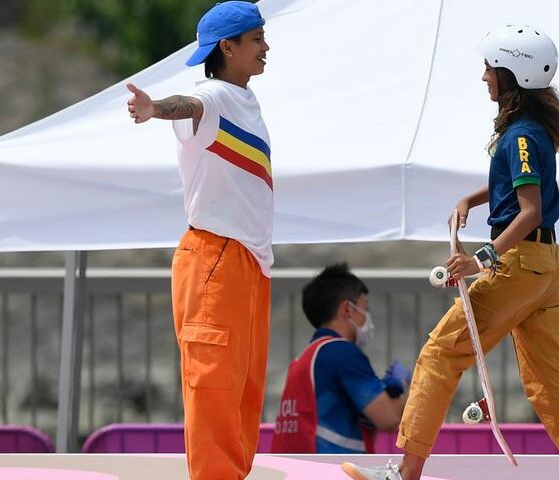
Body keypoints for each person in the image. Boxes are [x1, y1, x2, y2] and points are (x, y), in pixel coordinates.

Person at [342, 25, 559, 480]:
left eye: (489, 67)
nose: (484, 75)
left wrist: (481, 258)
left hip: (518, 264)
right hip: (545, 268)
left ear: (511, 74)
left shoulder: (519, 136)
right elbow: (522, 189)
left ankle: (405, 474)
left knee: (441, 354)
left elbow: (529, 210)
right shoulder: (532, 131)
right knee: (550, 381)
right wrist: (472, 200)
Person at [126, 2, 272, 479]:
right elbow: (188, 106)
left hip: (247, 260)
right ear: (227, 47)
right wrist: (153, 109)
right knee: (214, 387)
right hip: (216, 256)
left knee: (245, 389)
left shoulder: (243, 98)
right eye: (256, 39)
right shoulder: (211, 96)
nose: (266, 47)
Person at [271, 263, 409, 454]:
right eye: (364, 308)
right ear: (347, 309)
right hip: (332, 470)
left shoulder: (304, 358)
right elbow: (389, 419)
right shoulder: (341, 353)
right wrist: (400, 386)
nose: (367, 317)